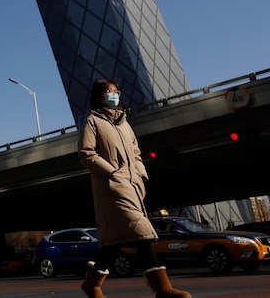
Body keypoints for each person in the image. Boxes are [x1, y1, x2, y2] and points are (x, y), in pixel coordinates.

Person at [78, 78, 190, 298]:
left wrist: (140, 176)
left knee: (114, 241)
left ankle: (91, 284)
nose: (115, 94)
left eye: (117, 90)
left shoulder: (124, 124)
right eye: (110, 91)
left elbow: (136, 153)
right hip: (112, 187)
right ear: (100, 96)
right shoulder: (93, 121)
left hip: (132, 186)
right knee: (141, 231)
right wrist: (111, 172)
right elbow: (86, 154)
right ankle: (162, 287)